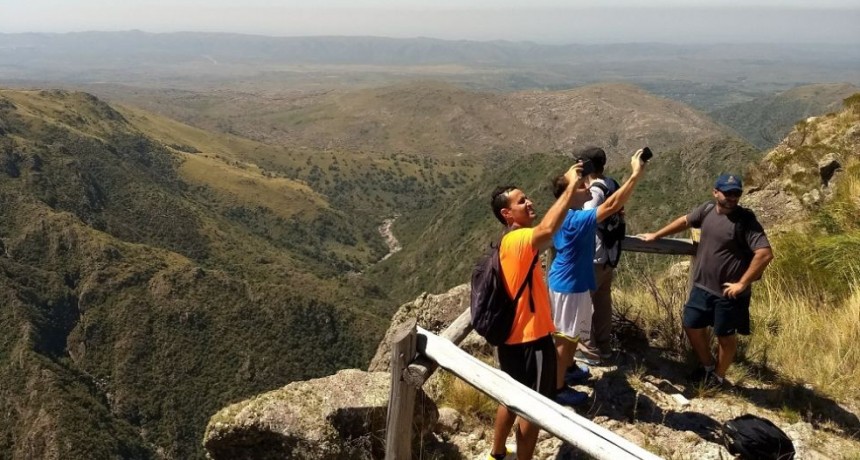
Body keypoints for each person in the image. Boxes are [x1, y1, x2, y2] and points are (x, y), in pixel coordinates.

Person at [485, 160, 585, 460]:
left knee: (511, 396)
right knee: (534, 407)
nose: (529, 202)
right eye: (521, 201)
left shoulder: (506, 241)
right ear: (507, 214)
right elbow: (547, 228)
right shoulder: (519, 239)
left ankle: (497, 454)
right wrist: (568, 187)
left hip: (511, 338)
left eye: (527, 197)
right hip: (532, 340)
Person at [640, 173, 773, 388]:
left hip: (729, 293)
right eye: (727, 193)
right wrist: (657, 235)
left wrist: (742, 283)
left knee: (725, 337)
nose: (732, 197)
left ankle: (718, 378)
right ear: (715, 192)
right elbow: (685, 220)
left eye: (736, 193)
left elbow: (765, 253)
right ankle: (708, 366)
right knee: (691, 324)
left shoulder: (746, 221)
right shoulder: (707, 210)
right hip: (702, 286)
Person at [548, 149, 646, 406]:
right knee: (565, 336)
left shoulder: (564, 214)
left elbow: (609, 209)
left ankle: (568, 369)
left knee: (571, 335)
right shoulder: (576, 219)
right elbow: (612, 205)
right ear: (569, 194)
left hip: (573, 282)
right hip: (569, 285)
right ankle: (557, 389)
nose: (589, 191)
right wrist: (636, 173)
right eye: (582, 188)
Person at [578, 146, 622, 365]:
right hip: (609, 254)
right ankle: (604, 346)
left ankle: (589, 350)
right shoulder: (611, 183)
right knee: (603, 301)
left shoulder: (595, 190)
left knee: (586, 303)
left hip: (593, 255)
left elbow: (587, 218)